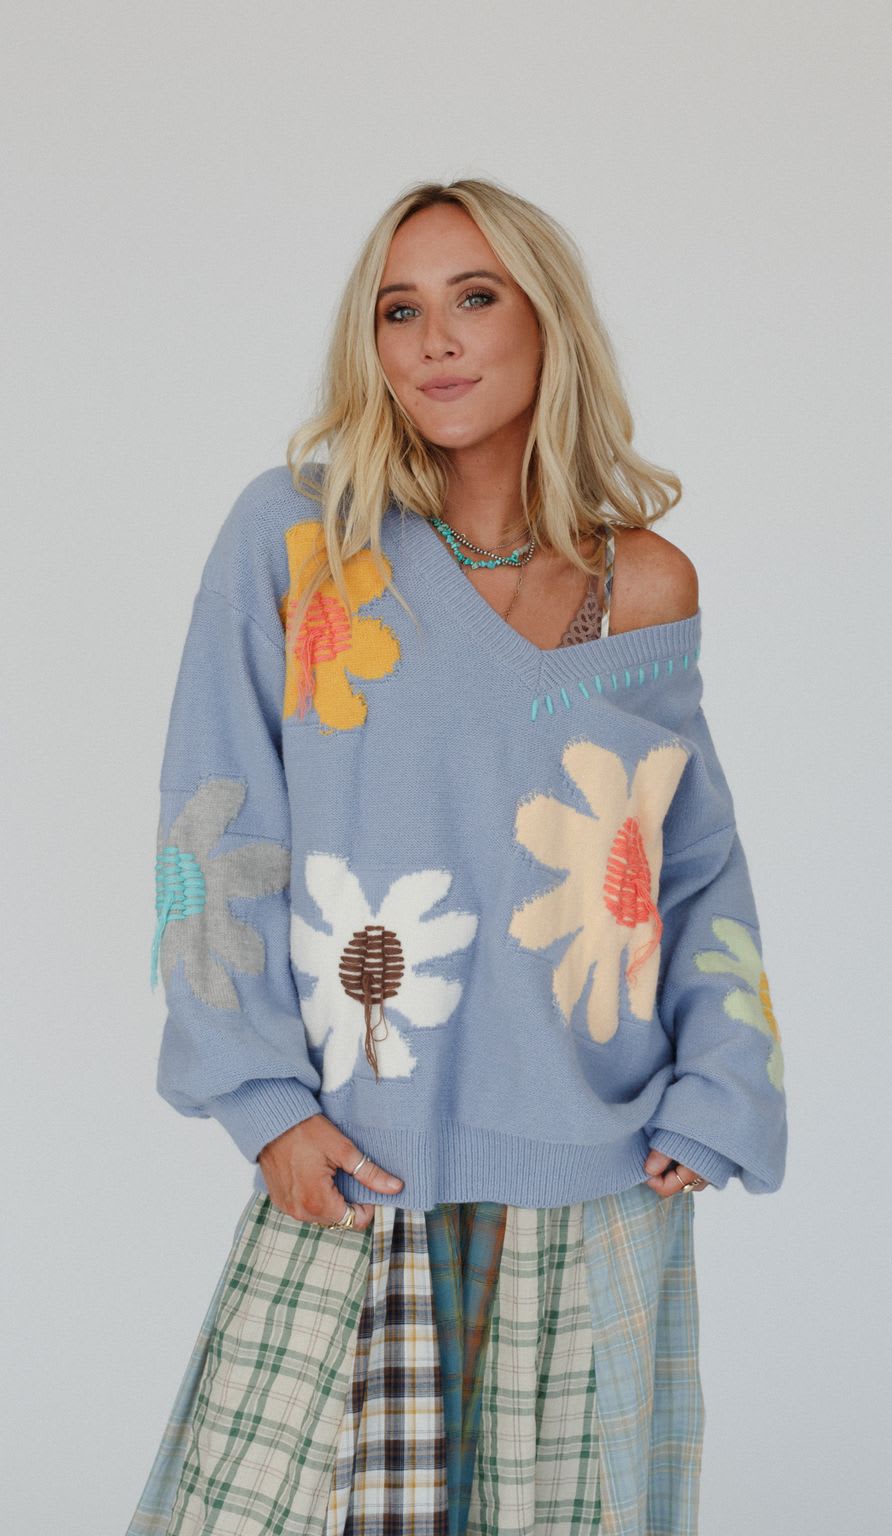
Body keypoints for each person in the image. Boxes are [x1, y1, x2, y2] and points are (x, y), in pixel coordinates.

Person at [127, 177, 787, 1536]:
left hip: (599, 1170)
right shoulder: (300, 538)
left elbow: (688, 859)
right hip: (358, 1167)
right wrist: (263, 1103)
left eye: (473, 298)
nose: (433, 340)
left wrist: (722, 1087)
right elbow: (213, 820)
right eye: (398, 310)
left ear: (547, 322)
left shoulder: (641, 584)